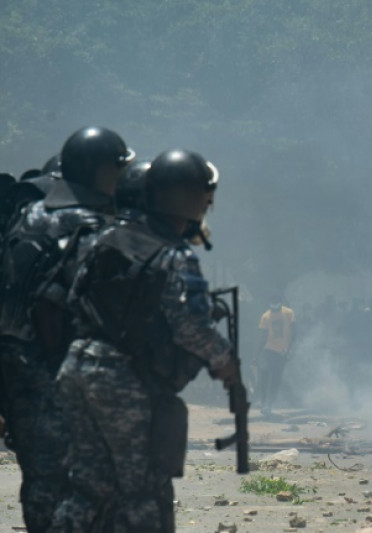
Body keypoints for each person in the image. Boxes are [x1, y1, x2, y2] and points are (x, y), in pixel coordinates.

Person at [51, 149, 238, 532]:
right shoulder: (173, 254)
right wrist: (225, 361)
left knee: (88, 486)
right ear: (189, 199)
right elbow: (189, 326)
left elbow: (73, 300)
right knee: (144, 491)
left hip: (76, 368)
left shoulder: (104, 237)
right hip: (124, 380)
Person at [0, 127, 133, 532]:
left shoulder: (27, 218)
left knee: (41, 479)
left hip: (17, 373)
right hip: (62, 378)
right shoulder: (92, 228)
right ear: (99, 170)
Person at [257, 297, 295, 415]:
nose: (273, 305)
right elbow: (263, 336)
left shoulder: (288, 313)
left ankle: (269, 404)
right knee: (264, 374)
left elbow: (294, 332)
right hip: (268, 349)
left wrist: (290, 348)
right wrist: (257, 353)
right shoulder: (265, 316)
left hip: (282, 352)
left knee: (275, 379)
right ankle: (263, 402)